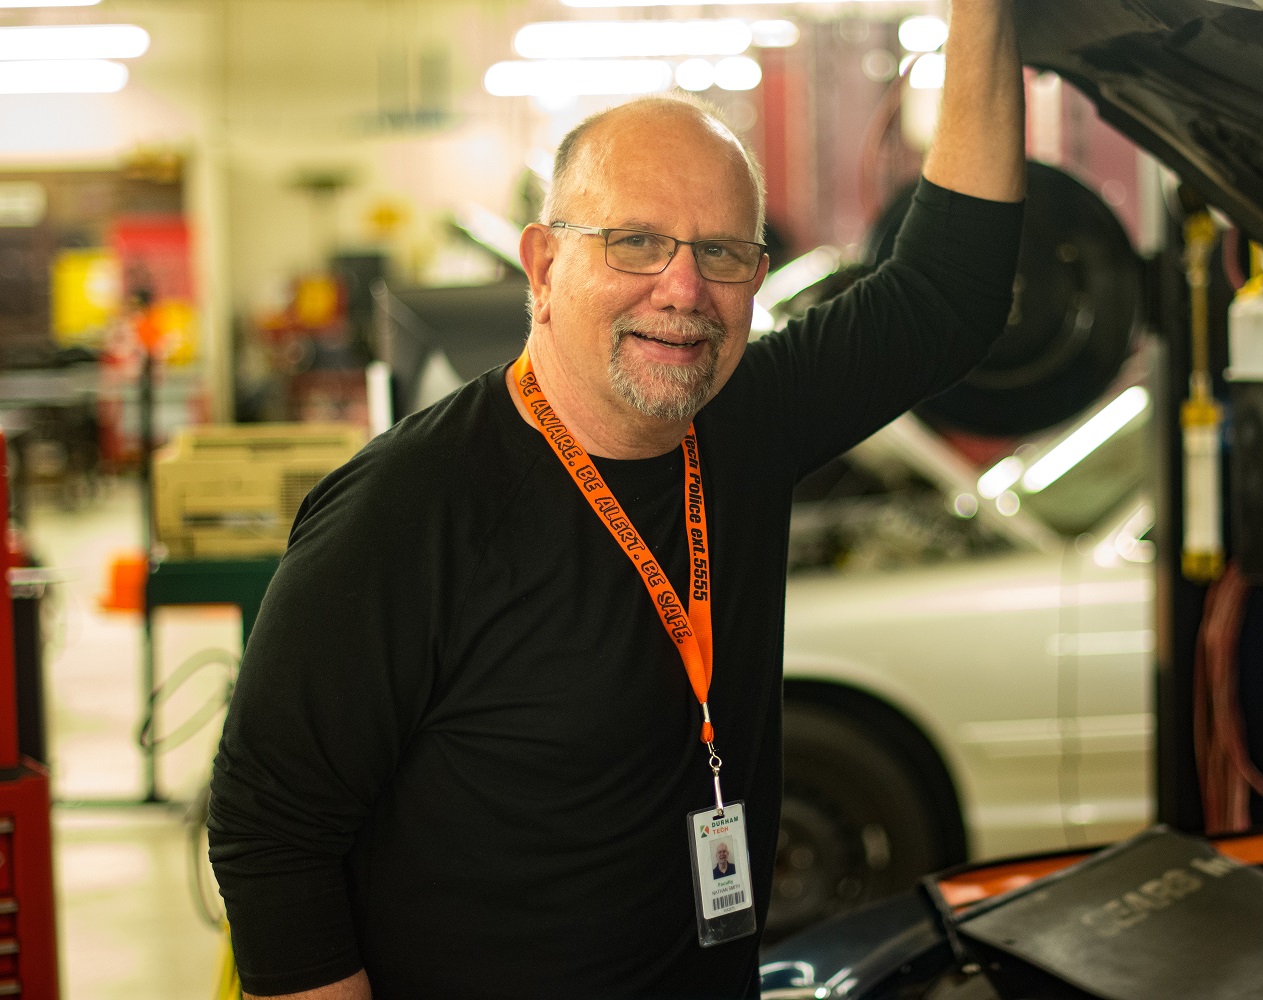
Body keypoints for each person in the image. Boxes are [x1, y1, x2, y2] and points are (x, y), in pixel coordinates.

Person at [207, 0, 1025, 994]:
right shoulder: (403, 512)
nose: (683, 288)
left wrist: (983, 11)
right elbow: (272, 831)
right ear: (545, 264)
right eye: (635, 242)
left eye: (722, 251)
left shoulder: (742, 423)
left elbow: (950, 289)